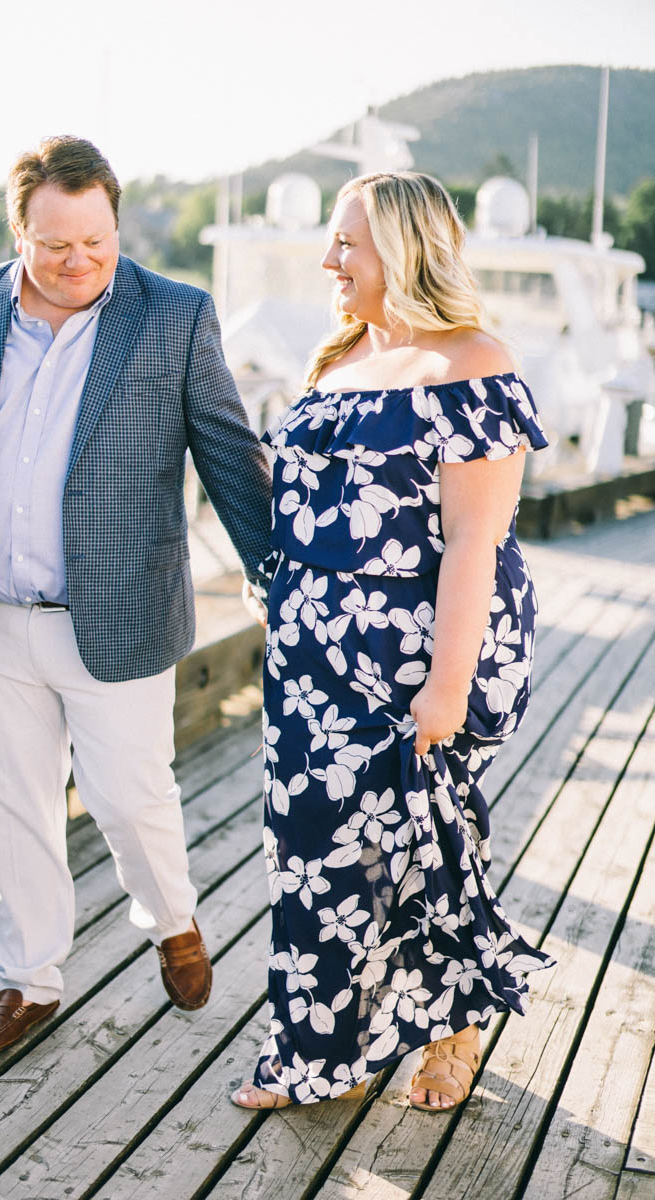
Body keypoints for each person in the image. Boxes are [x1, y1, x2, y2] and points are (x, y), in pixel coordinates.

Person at [0, 135, 272, 1053]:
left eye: (97, 240)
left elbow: (226, 450)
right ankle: (28, 983)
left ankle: (171, 918)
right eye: (56, 244)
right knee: (15, 806)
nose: (80, 262)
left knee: (129, 796)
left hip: (120, 612)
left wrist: (275, 575)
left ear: (115, 223)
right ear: (19, 230)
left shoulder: (171, 314)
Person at [231, 171, 555, 1112]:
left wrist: (446, 688)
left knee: (419, 845)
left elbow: (473, 549)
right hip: (307, 666)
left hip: (413, 662)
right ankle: (321, 1052)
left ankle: (452, 1031)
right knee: (313, 854)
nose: (329, 259)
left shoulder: (474, 363)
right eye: (332, 241)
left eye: (348, 243)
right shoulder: (339, 359)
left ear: (405, 253)